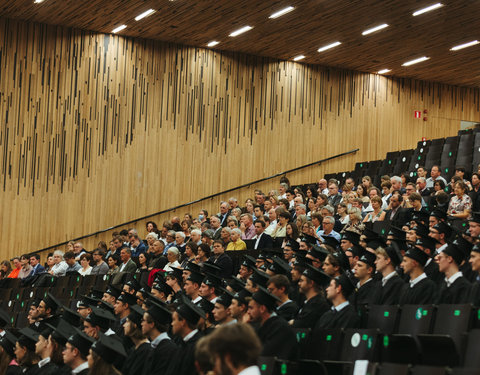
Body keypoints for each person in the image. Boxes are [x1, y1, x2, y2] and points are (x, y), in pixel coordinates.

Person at [247, 286, 298, 360]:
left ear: (262, 309)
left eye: (251, 308)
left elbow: (263, 355)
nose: (248, 312)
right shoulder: (260, 325)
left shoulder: (279, 328)